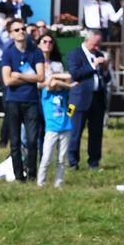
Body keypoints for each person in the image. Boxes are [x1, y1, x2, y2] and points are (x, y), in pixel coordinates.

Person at [0, 19, 45, 182]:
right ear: (11, 34)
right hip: (13, 101)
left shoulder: (36, 51)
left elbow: (41, 77)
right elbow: (7, 80)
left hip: (31, 100)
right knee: (15, 141)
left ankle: (32, 174)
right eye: (17, 30)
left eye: (23, 28)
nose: (21, 32)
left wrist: (19, 75)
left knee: (32, 140)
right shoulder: (8, 53)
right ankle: (19, 175)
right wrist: (29, 78)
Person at [65, 28, 110, 171]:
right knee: (75, 132)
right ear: (87, 40)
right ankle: (73, 162)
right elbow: (75, 74)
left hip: (98, 99)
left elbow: (106, 78)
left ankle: (94, 162)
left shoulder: (99, 54)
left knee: (96, 133)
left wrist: (106, 69)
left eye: (99, 44)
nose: (97, 48)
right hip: (78, 100)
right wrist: (93, 65)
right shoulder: (74, 54)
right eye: (95, 44)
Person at [37, 34, 75, 189]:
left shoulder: (63, 93)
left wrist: (55, 77)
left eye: (50, 42)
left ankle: (58, 183)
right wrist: (67, 84)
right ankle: (41, 182)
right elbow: (50, 84)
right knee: (47, 157)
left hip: (65, 126)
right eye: (44, 41)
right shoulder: (46, 94)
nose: (48, 44)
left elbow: (68, 76)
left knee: (61, 158)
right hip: (51, 127)